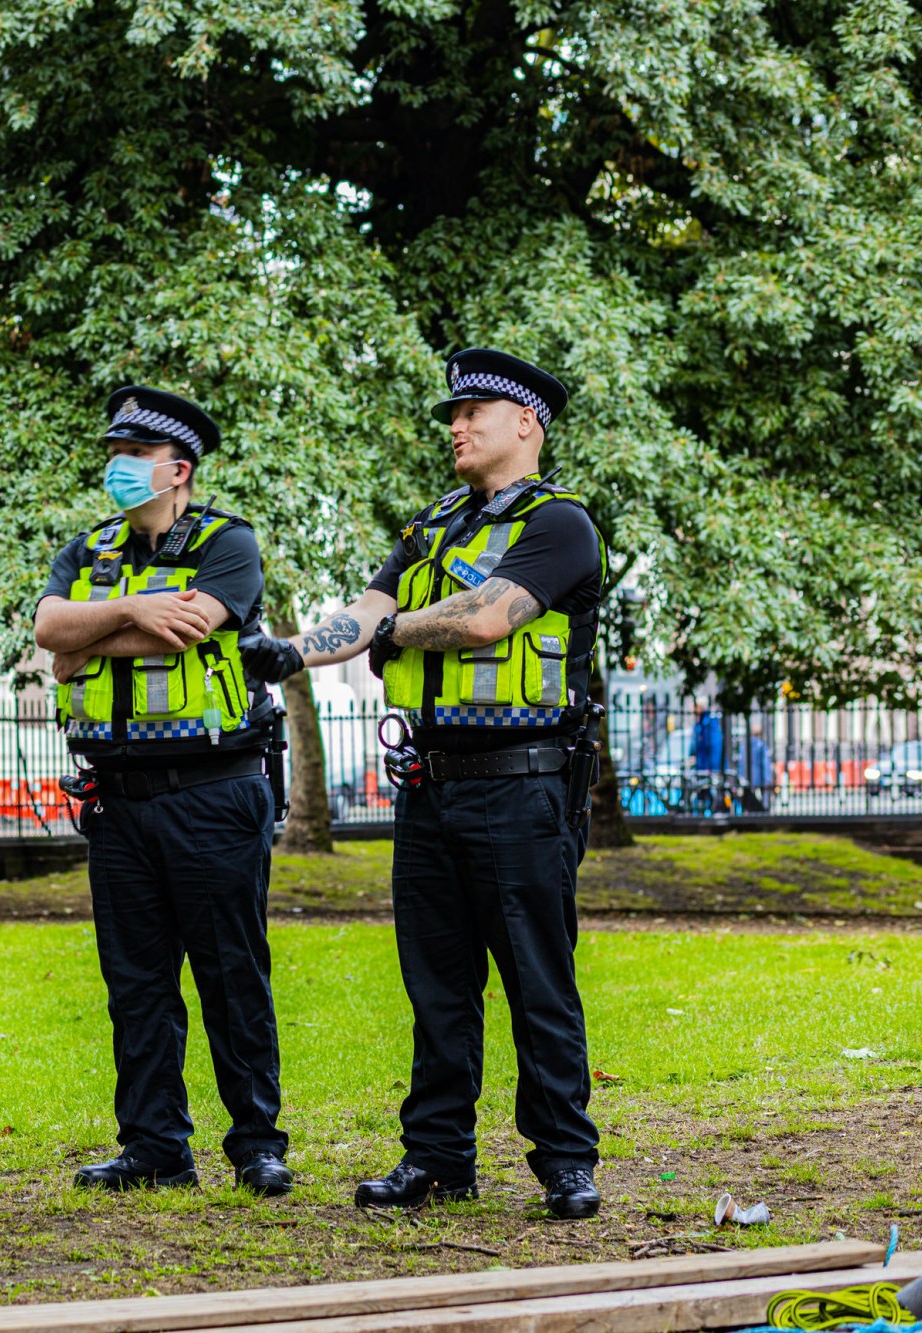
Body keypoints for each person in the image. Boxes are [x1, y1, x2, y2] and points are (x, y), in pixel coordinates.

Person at [239, 349, 606, 1220]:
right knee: (437, 983)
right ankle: (438, 1158)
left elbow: (485, 618)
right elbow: (369, 611)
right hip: (431, 788)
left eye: (474, 410)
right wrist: (297, 651)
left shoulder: (560, 526)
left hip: (525, 786)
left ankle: (564, 1160)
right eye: (454, 412)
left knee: (536, 979)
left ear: (526, 423)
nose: (457, 424)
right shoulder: (431, 526)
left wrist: (394, 628)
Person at [34, 386, 293, 1197]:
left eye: (134, 456)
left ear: (176, 469)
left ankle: (256, 1144)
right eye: (114, 453)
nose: (117, 467)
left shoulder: (228, 542)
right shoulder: (89, 550)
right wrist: (136, 609)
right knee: (137, 982)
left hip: (214, 788)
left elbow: (197, 620)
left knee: (231, 974)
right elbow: (48, 632)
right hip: (117, 796)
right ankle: (155, 1147)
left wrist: (96, 630)